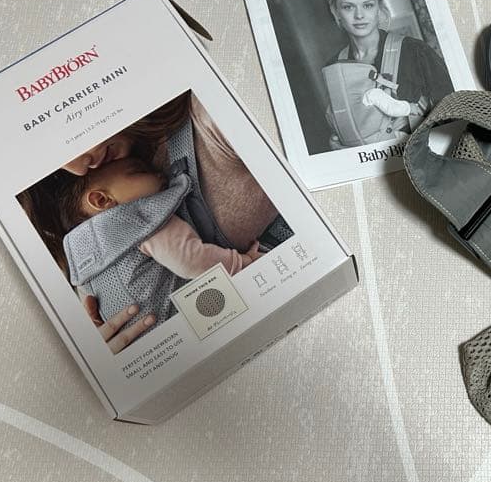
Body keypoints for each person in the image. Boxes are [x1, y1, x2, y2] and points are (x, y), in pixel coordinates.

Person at [19, 91, 292, 353]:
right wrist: (107, 350)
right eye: (49, 157)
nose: (79, 168)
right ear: (100, 200)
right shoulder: (133, 221)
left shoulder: (209, 116)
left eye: (63, 137)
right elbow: (190, 260)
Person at [59, 157, 263, 342]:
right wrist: (243, 262)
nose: (158, 173)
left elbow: (91, 310)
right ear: (102, 200)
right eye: (138, 171)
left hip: (145, 343)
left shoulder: (79, 261)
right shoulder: (140, 221)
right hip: (186, 318)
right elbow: (191, 260)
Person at [323, 0, 453, 149]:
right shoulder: (334, 67)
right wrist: (338, 144)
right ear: (336, 13)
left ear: (379, 8)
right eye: (348, 7)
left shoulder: (415, 51)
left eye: (368, 5)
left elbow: (453, 114)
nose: (359, 15)